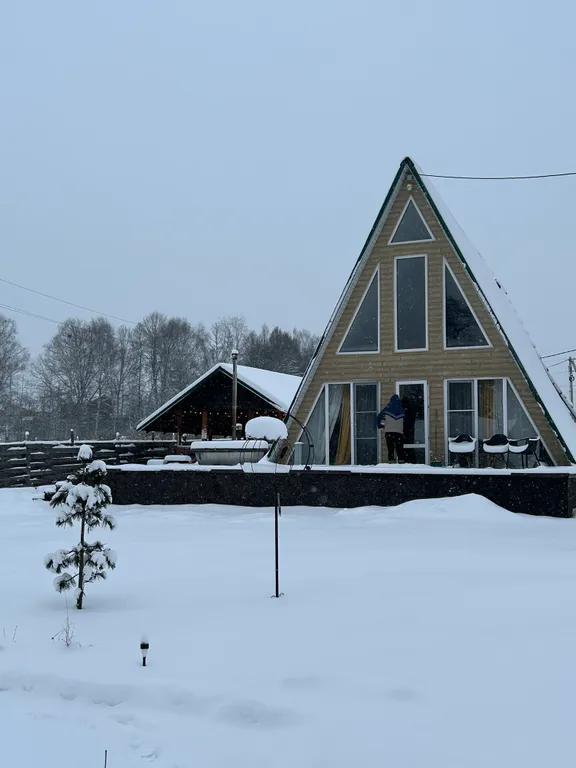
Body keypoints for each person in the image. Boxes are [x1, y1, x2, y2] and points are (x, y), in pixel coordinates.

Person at [377, 394, 406, 463]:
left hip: (389, 431)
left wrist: (380, 426)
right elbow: (406, 421)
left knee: (390, 447)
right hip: (399, 432)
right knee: (399, 447)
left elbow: (379, 417)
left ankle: (391, 460)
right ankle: (401, 460)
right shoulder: (402, 410)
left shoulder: (387, 409)